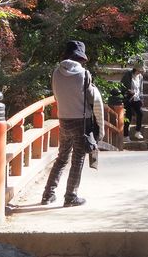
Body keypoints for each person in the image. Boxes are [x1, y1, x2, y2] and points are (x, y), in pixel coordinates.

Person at [41, 40, 99, 207]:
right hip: (81, 121)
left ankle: (48, 194)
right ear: (80, 57)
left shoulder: (56, 73)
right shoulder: (84, 74)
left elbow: (56, 95)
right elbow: (91, 98)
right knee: (78, 158)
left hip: (63, 119)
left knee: (62, 157)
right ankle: (70, 196)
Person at [120, 58, 145, 142]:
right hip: (129, 98)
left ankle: (137, 132)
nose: (141, 71)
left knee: (140, 113)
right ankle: (125, 135)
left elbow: (140, 89)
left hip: (137, 98)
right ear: (136, 68)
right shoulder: (128, 74)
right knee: (128, 116)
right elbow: (122, 86)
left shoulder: (140, 77)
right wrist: (128, 91)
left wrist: (141, 98)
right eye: (140, 69)